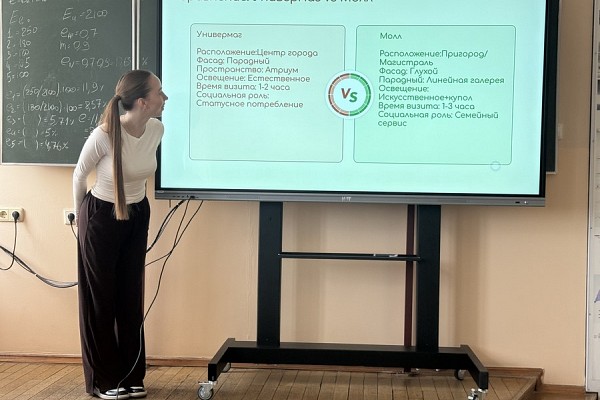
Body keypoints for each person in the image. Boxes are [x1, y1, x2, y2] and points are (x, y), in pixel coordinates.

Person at [73, 70, 168, 400]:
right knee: (102, 299)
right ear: (142, 101)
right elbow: (79, 175)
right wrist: (80, 223)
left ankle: (131, 375)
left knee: (130, 295)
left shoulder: (156, 129)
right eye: (159, 92)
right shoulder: (104, 134)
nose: (164, 97)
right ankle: (105, 380)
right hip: (101, 216)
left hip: (137, 213)